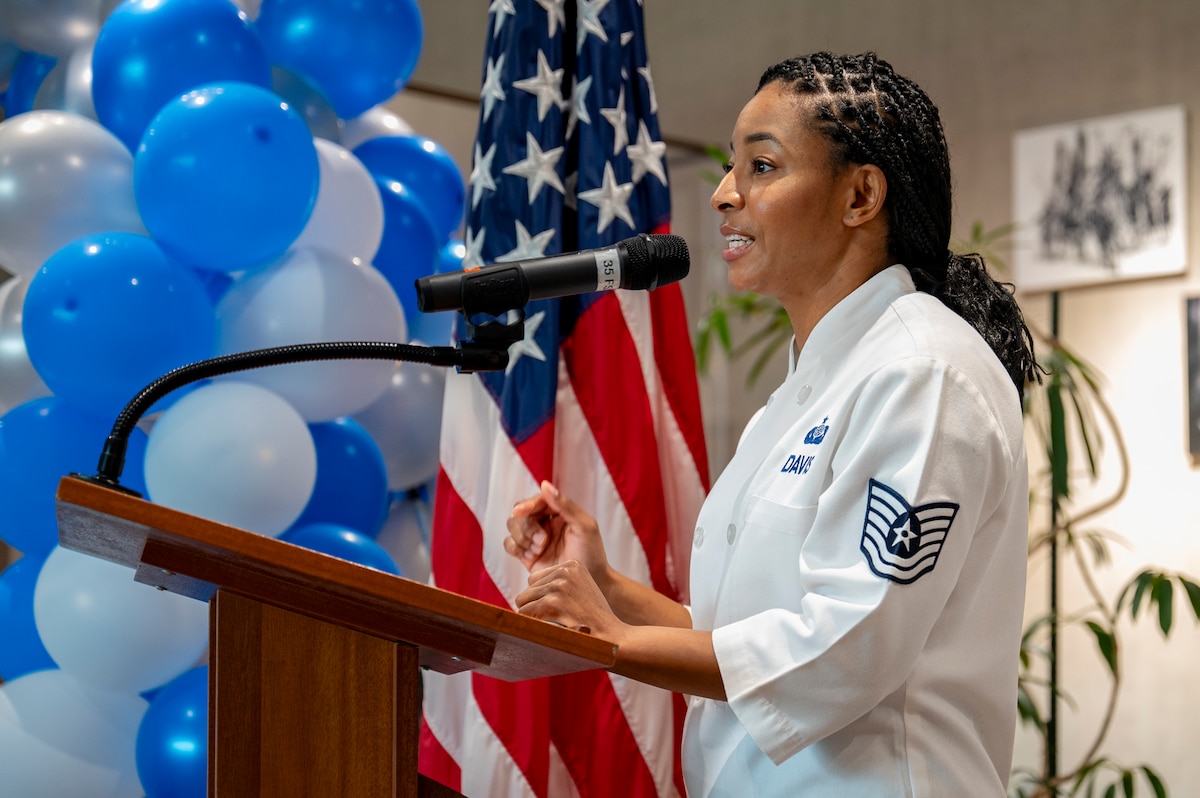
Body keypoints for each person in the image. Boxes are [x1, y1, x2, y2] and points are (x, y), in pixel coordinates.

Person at [504, 51, 1039, 796]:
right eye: (732, 168)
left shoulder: (925, 371)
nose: (725, 195)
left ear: (860, 195)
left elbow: (846, 647)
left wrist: (621, 642)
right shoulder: (800, 395)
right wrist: (606, 585)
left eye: (761, 166)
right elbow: (745, 633)